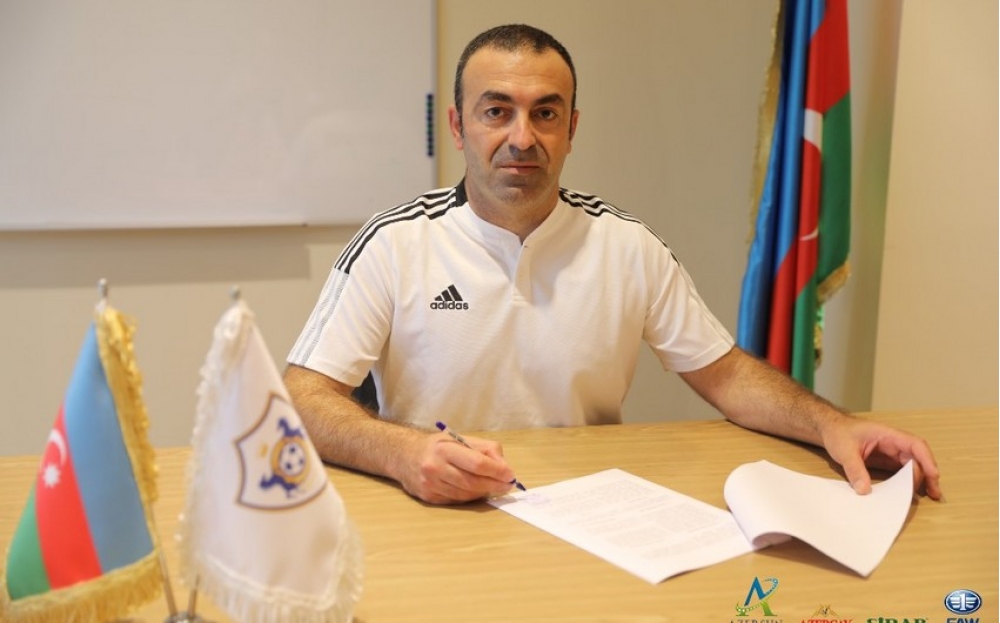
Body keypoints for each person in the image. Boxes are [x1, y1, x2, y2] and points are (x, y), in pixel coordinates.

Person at [283, 23, 941, 505]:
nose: (522, 137)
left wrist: (834, 423)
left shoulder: (627, 246)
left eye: (545, 113)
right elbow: (302, 399)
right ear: (458, 127)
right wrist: (403, 452)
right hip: (435, 506)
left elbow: (729, 376)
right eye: (497, 112)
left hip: (588, 510)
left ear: (571, 128)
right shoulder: (394, 243)